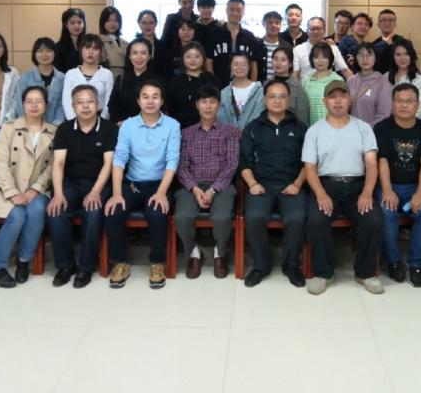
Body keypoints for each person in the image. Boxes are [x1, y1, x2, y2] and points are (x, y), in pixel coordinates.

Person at [302, 79, 385, 295]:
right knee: (317, 221)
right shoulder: (314, 131)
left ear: (350, 100)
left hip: (358, 186)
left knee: (373, 221)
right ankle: (323, 273)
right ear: (324, 101)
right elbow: (310, 168)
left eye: (342, 96)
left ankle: (365, 273)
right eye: (332, 97)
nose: (338, 101)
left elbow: (371, 163)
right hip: (326, 185)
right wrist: (320, 194)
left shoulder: (363, 128)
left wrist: (367, 192)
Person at [107, 81, 181, 289]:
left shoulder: (172, 125)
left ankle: (157, 263)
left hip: (160, 184)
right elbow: (119, 158)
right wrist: (116, 193)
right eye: (145, 96)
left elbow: (172, 160)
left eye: (155, 96)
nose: (150, 101)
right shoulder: (128, 125)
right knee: (113, 212)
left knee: (157, 213)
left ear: (162, 101)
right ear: (138, 101)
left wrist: (162, 192)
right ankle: (120, 263)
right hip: (132, 184)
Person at [0, 86, 56, 288]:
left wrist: (35, 188)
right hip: (7, 187)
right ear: (22, 104)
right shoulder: (9, 129)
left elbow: (52, 167)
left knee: (37, 209)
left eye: (38, 101)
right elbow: (0, 164)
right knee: (17, 215)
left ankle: (23, 260)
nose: (34, 105)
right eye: (29, 101)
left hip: (38, 189)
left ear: (46, 104)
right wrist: (13, 193)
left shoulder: (54, 132)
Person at [46, 84, 118, 288]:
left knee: (93, 211)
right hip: (70, 182)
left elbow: (108, 164)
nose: (85, 106)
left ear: (99, 104)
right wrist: (58, 194)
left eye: (90, 102)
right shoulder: (64, 129)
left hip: (99, 183)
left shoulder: (109, 129)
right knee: (56, 211)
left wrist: (95, 192)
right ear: (73, 106)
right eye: (80, 102)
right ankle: (65, 265)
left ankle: (86, 267)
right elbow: (58, 163)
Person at [240, 79, 310, 288]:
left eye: (282, 96)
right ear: (265, 100)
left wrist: (297, 184)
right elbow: (244, 162)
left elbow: (309, 162)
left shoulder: (300, 128)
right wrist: (252, 184)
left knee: (297, 218)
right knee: (254, 217)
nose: (277, 101)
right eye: (272, 96)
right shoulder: (253, 127)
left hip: (292, 184)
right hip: (261, 185)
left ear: (289, 100)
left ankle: (291, 265)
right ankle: (261, 266)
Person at [374, 83, 421, 287]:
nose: (404, 105)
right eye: (399, 101)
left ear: (417, 104)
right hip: (389, 184)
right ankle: (393, 262)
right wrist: (387, 190)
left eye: (409, 101)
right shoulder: (382, 128)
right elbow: (382, 161)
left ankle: (416, 264)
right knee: (386, 213)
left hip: (416, 186)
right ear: (392, 103)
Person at [174, 85, 240, 279]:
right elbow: (182, 166)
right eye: (204, 102)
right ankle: (193, 252)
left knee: (221, 217)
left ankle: (220, 252)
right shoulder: (186, 134)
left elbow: (231, 165)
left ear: (219, 105)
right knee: (182, 217)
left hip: (222, 186)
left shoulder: (230, 132)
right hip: (192, 186)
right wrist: (195, 189)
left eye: (212, 102)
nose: (208, 106)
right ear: (197, 105)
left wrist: (212, 190)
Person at [207, 0, 261, 86]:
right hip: (219, 86)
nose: (235, 13)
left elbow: (254, 65)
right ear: (226, 11)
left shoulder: (249, 36)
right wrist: (213, 85)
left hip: (244, 87)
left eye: (238, 10)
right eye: (231, 9)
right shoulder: (215, 34)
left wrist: (252, 88)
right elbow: (209, 62)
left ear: (243, 12)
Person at [108, 38, 163, 124]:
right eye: (135, 53)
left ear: (149, 56)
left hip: (149, 127)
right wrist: (121, 122)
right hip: (124, 127)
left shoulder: (158, 81)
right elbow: (112, 106)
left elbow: (161, 107)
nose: (139, 57)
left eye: (143, 53)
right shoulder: (121, 79)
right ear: (129, 56)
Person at [165, 42, 219, 129]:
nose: (193, 60)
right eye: (188, 57)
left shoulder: (212, 80)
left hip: (210, 128)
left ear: (203, 58)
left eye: (197, 57)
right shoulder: (175, 82)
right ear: (182, 59)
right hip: (182, 129)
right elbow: (171, 108)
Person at [61, 33, 114, 121]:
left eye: (95, 49)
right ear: (81, 50)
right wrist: (74, 122)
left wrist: (102, 121)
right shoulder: (71, 74)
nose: (90, 52)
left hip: (100, 118)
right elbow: (66, 101)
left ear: (100, 52)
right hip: (75, 119)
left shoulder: (107, 74)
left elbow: (108, 101)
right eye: (87, 47)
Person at [15, 36, 66, 125]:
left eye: (49, 51)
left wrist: (56, 124)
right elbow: (20, 104)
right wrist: (28, 124)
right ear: (34, 54)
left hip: (54, 127)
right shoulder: (26, 77)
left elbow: (62, 104)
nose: (44, 55)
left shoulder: (62, 78)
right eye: (40, 51)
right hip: (29, 126)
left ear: (55, 53)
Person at [347, 42, 393, 126]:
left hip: (373, 131)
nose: (365, 59)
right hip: (351, 130)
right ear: (355, 58)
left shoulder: (383, 83)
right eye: (361, 55)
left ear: (376, 58)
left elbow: (384, 114)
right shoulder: (350, 81)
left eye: (369, 55)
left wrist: (366, 130)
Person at [217, 51, 265, 130]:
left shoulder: (260, 91)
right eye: (235, 64)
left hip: (253, 135)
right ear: (230, 66)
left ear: (249, 67)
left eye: (243, 64)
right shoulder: (224, 93)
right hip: (230, 136)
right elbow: (222, 119)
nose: (239, 67)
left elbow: (259, 116)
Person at [301, 42, 345, 126]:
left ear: (330, 59)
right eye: (316, 57)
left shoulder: (337, 80)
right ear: (312, 59)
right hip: (312, 128)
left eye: (324, 57)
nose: (320, 61)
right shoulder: (306, 81)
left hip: (334, 128)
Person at [267, 46, 309, 124]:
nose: (278, 63)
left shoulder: (296, 86)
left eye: (283, 60)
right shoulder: (266, 84)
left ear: (290, 64)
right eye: (275, 59)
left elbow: (302, 115)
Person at [388, 39, 421, 120]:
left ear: (412, 56)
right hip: (387, 123)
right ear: (393, 57)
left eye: (406, 54)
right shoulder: (385, 77)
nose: (402, 58)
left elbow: (420, 112)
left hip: (410, 124)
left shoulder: (419, 80)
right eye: (398, 55)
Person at [257, 10, 291, 82]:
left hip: (281, 85)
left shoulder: (287, 46)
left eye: (277, 23)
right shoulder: (257, 45)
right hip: (260, 86)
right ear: (263, 24)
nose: (274, 25)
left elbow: (290, 69)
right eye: (270, 22)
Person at [137, 9, 172, 79]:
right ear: (139, 24)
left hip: (159, 82)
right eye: (144, 23)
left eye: (151, 23)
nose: (147, 26)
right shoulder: (133, 45)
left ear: (156, 24)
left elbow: (167, 70)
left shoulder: (163, 46)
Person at [98, 6, 129, 80]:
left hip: (124, 77)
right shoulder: (98, 40)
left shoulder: (125, 42)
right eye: (108, 20)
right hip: (106, 77)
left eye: (115, 20)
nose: (112, 24)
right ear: (103, 22)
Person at [372, 8, 405, 74]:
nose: (387, 23)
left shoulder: (404, 42)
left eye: (391, 20)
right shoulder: (373, 45)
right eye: (383, 20)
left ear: (395, 24)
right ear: (378, 25)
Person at [55, 7, 86, 73]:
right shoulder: (58, 47)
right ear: (66, 25)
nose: (76, 25)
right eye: (72, 23)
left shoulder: (89, 44)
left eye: (79, 22)